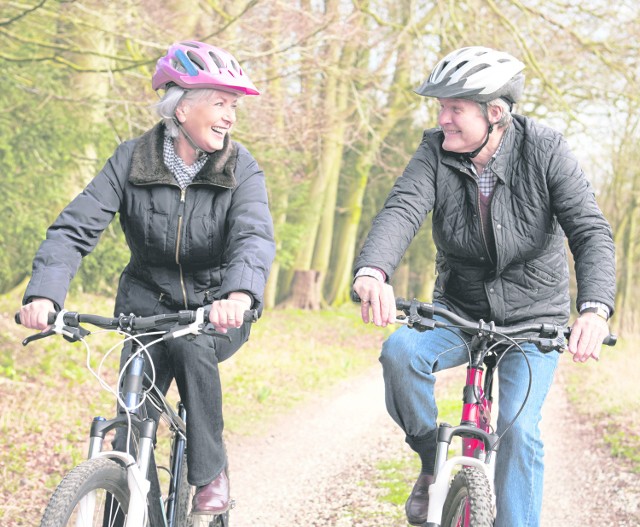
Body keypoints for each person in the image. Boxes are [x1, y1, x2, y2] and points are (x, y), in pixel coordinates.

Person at [352, 46, 615, 527]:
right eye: (440, 108)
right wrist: (373, 271)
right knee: (401, 352)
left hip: (535, 320)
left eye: (455, 108)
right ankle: (432, 462)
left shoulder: (546, 149)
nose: (443, 118)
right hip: (459, 310)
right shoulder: (434, 150)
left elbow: (590, 231)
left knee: (517, 430)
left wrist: (595, 309)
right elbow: (402, 209)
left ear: (495, 114)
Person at [18, 40, 275, 515]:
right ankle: (128, 500)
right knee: (134, 424)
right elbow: (74, 229)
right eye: (219, 103)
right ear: (181, 108)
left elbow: (254, 237)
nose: (230, 117)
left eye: (233, 106)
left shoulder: (241, 168)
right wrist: (45, 296)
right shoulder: (131, 160)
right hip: (145, 306)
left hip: (214, 307)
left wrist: (238, 293)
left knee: (195, 346)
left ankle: (209, 471)